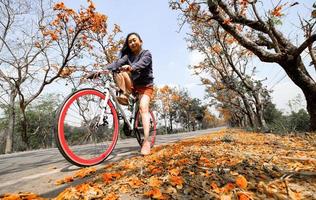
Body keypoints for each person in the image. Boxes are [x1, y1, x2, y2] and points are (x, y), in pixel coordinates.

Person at [94, 32, 154, 155]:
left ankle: (146, 142)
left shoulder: (146, 54)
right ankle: (124, 95)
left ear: (140, 41)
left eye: (134, 40)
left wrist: (131, 67)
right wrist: (101, 71)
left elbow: (141, 64)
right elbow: (116, 63)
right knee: (118, 72)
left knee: (143, 108)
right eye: (129, 42)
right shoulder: (127, 57)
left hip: (145, 87)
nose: (132, 43)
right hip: (132, 86)